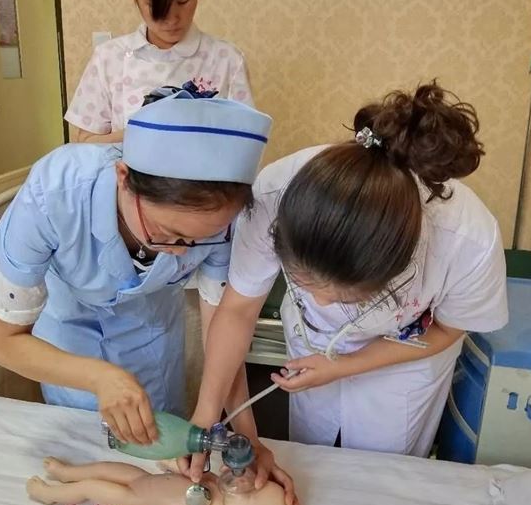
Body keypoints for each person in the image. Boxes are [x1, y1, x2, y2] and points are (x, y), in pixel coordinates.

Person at [183, 82, 508, 481]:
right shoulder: (276, 194)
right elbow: (237, 310)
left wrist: (347, 365)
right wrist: (211, 414)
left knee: (382, 477)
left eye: (343, 295)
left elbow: (448, 328)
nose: (320, 302)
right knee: (309, 462)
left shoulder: (467, 238)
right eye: (303, 282)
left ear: (395, 268)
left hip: (403, 359)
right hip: (313, 342)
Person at [0, 90, 294, 499]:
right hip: (66, 339)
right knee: (84, 457)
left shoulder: (224, 225)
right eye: (167, 233)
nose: (180, 252)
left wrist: (246, 435)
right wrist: (98, 377)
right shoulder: (54, 192)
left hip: (150, 337)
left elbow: (224, 329)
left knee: (159, 458)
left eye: (197, 241)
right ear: (123, 178)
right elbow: (4, 341)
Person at [65, 0, 253, 144]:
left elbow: (246, 142)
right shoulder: (109, 58)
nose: (172, 18)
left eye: (183, 1)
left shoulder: (227, 60)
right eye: (156, 4)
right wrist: (147, 132)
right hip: (125, 169)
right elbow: (85, 142)